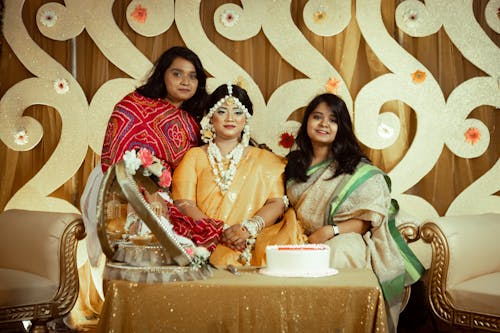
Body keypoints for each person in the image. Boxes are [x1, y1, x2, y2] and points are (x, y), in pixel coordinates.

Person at [253, 93, 424, 333]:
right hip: (300, 235)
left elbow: (369, 220)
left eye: (332, 120)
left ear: (340, 128)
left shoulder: (355, 166)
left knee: (339, 253)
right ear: (307, 122)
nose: (323, 124)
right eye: (317, 117)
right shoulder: (292, 163)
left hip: (345, 235)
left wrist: (330, 230)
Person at [74, 46, 208, 328]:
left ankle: (169, 320)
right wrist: (145, 193)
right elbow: (116, 157)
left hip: (166, 195)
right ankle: (128, 321)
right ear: (162, 75)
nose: (185, 81)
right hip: (118, 188)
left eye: (193, 76)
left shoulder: (194, 121)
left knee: (182, 243)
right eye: (177, 73)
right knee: (137, 249)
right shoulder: (131, 104)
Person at [170, 83, 289, 267]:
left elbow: (277, 203)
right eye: (222, 111)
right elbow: (184, 204)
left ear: (246, 119)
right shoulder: (195, 156)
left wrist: (246, 229)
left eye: (238, 112)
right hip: (203, 240)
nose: (230, 118)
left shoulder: (267, 161)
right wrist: (219, 231)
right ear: (210, 116)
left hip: (251, 241)